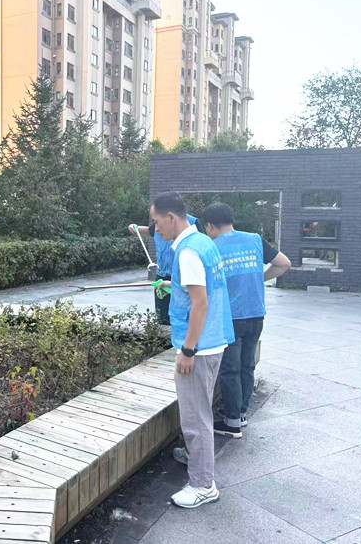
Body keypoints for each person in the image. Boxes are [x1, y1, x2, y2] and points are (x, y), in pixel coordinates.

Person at [151, 192, 233, 509]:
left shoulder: (187, 252)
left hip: (199, 347)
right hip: (212, 341)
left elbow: (200, 304)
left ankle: (202, 484)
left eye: (157, 222)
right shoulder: (202, 242)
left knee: (195, 418)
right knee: (200, 413)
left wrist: (188, 350)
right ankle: (198, 462)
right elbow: (200, 289)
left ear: (171, 218)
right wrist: (172, 285)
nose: (156, 229)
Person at [201, 203, 291, 439]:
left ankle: (232, 423)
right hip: (256, 314)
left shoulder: (211, 248)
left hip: (231, 318)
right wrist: (260, 278)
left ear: (210, 226)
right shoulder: (254, 239)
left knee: (230, 370)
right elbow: (284, 263)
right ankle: (241, 414)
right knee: (247, 365)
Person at [129, 214, 199, 325]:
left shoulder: (192, 223)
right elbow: (150, 230)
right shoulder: (160, 221)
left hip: (180, 276)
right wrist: (136, 228)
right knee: (162, 316)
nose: (157, 229)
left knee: (181, 316)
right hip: (162, 274)